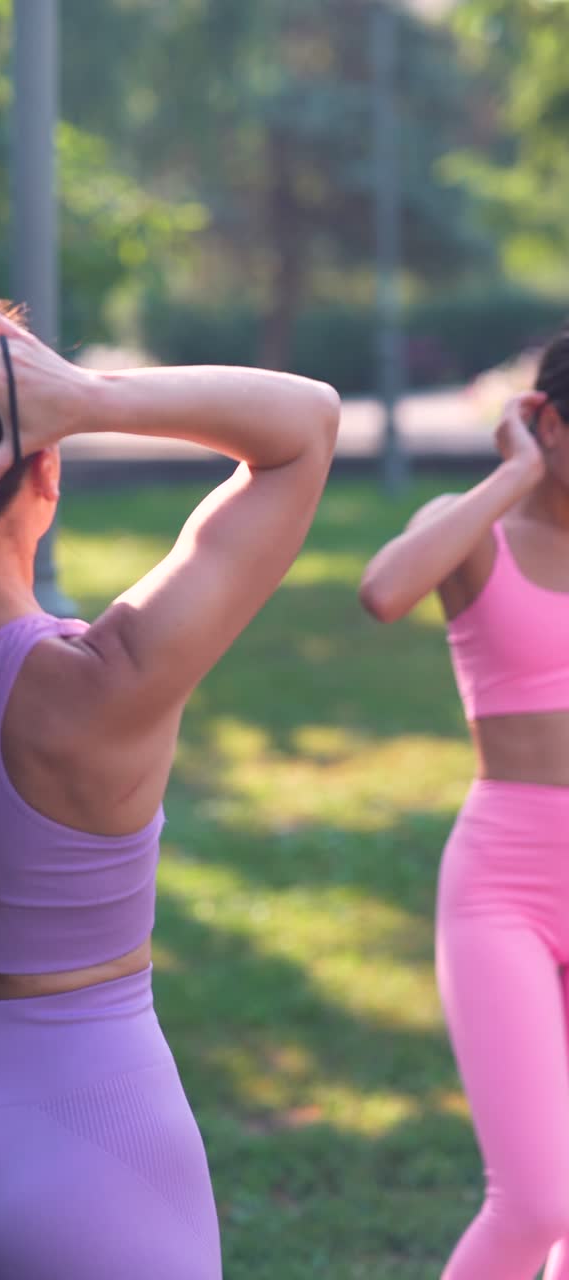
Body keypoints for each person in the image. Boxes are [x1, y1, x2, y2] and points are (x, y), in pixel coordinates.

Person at [0, 288, 340, 1280]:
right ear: (45, 467)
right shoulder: (108, 681)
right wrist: (89, 393)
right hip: (98, 1154)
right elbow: (305, 425)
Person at [359, 331, 569, 1280]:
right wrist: (511, 476)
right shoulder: (476, 532)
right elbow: (383, 589)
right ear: (547, 422)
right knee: (535, 1204)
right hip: (507, 886)